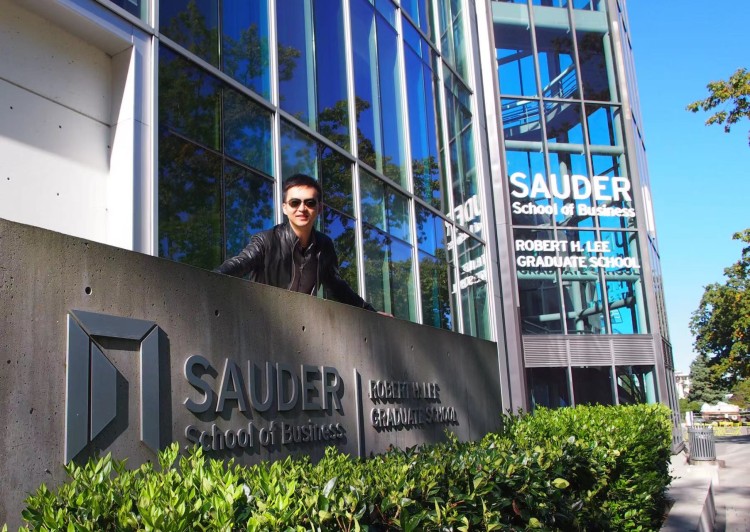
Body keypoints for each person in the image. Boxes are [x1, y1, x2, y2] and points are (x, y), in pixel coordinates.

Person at [216, 173, 377, 312]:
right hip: (263, 320)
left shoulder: (324, 246)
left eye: (310, 203)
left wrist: (370, 311)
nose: (302, 208)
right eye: (295, 202)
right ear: (285, 208)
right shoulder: (266, 240)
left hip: (301, 328)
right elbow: (240, 262)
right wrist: (211, 277)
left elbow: (337, 287)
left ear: (319, 209)